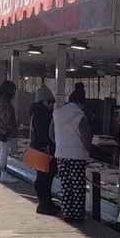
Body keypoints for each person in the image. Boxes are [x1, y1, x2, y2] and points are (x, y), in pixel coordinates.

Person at [50, 85, 92, 222]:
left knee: (65, 185)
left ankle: (67, 213)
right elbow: (86, 138)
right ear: (80, 104)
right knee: (78, 187)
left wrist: (61, 143)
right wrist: (89, 149)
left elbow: (51, 133)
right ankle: (78, 215)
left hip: (61, 154)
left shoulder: (57, 113)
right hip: (77, 155)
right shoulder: (80, 116)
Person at [28, 85, 58, 215]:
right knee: (43, 177)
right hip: (43, 150)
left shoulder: (44, 114)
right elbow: (43, 134)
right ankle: (43, 203)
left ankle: (47, 202)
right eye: (49, 102)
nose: (52, 105)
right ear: (41, 102)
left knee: (48, 176)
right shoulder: (40, 116)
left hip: (46, 149)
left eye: (53, 102)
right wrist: (53, 142)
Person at [0, 80, 20, 184]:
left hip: (0, 129)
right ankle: (4, 172)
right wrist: (14, 129)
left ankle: (4, 172)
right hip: (6, 131)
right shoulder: (5, 102)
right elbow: (7, 118)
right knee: (4, 151)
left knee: (3, 150)